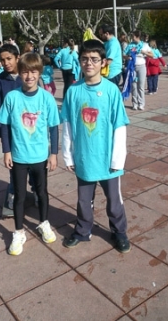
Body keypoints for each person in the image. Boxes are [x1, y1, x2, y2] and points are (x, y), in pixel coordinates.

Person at [61, 39, 130, 253]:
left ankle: (119, 232)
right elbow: (68, 126)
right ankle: (83, 231)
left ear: (103, 62)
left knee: (114, 201)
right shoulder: (73, 91)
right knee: (83, 200)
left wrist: (117, 159)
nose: (89, 63)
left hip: (108, 158)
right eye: (84, 59)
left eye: (94, 59)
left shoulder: (111, 91)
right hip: (84, 157)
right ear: (79, 61)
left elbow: (119, 126)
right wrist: (68, 155)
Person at [0, 52, 60, 255]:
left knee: (41, 193)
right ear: (19, 73)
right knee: (20, 196)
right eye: (25, 72)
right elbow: (4, 125)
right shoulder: (12, 97)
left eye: (33, 72)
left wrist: (54, 154)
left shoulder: (47, 98)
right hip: (18, 157)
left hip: (40, 156)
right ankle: (18, 231)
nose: (29, 76)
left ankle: (44, 222)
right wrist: (6, 151)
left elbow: (54, 127)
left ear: (40, 73)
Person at [0, 43, 21, 210]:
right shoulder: (0, 81)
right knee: (14, 167)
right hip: (11, 132)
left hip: (29, 130)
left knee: (35, 166)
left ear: (17, 57)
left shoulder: (28, 76)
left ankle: (37, 191)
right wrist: (3, 138)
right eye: (2, 60)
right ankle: (14, 192)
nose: (6, 63)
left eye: (9, 59)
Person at [123, 31, 153, 111]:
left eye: (133, 36)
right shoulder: (130, 45)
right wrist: (127, 57)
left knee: (141, 86)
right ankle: (134, 104)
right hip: (132, 67)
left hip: (142, 67)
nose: (131, 38)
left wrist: (145, 52)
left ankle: (141, 104)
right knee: (133, 86)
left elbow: (152, 55)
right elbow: (124, 54)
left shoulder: (144, 45)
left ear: (137, 36)